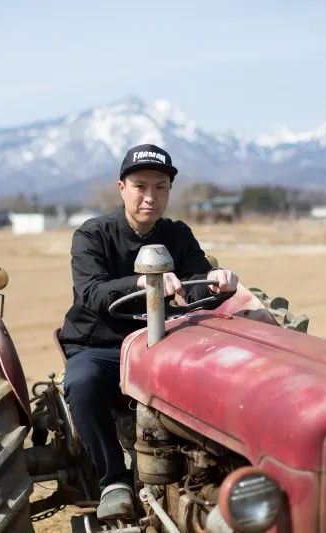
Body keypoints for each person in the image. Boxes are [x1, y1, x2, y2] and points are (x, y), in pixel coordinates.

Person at [57, 143, 239, 521]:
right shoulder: (92, 236)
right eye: (140, 186)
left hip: (165, 342)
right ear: (121, 187)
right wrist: (144, 282)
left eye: (160, 187)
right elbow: (92, 293)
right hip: (104, 346)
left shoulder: (178, 234)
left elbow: (195, 285)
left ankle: (213, 474)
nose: (150, 197)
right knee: (82, 383)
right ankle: (114, 481)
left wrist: (217, 283)